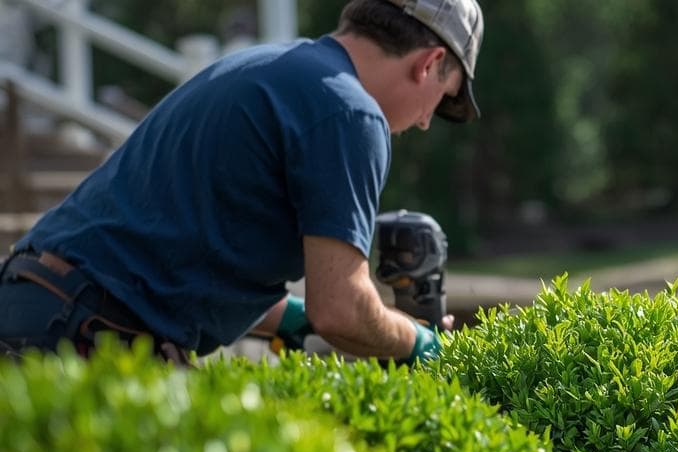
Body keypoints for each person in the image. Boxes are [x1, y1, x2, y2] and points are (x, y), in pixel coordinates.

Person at [0, 0, 482, 365]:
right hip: (86, 333)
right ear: (427, 63)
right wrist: (421, 344)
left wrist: (291, 317)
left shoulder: (266, 69)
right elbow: (341, 310)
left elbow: (177, 250)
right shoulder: (350, 114)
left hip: (32, 299)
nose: (424, 122)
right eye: (442, 99)